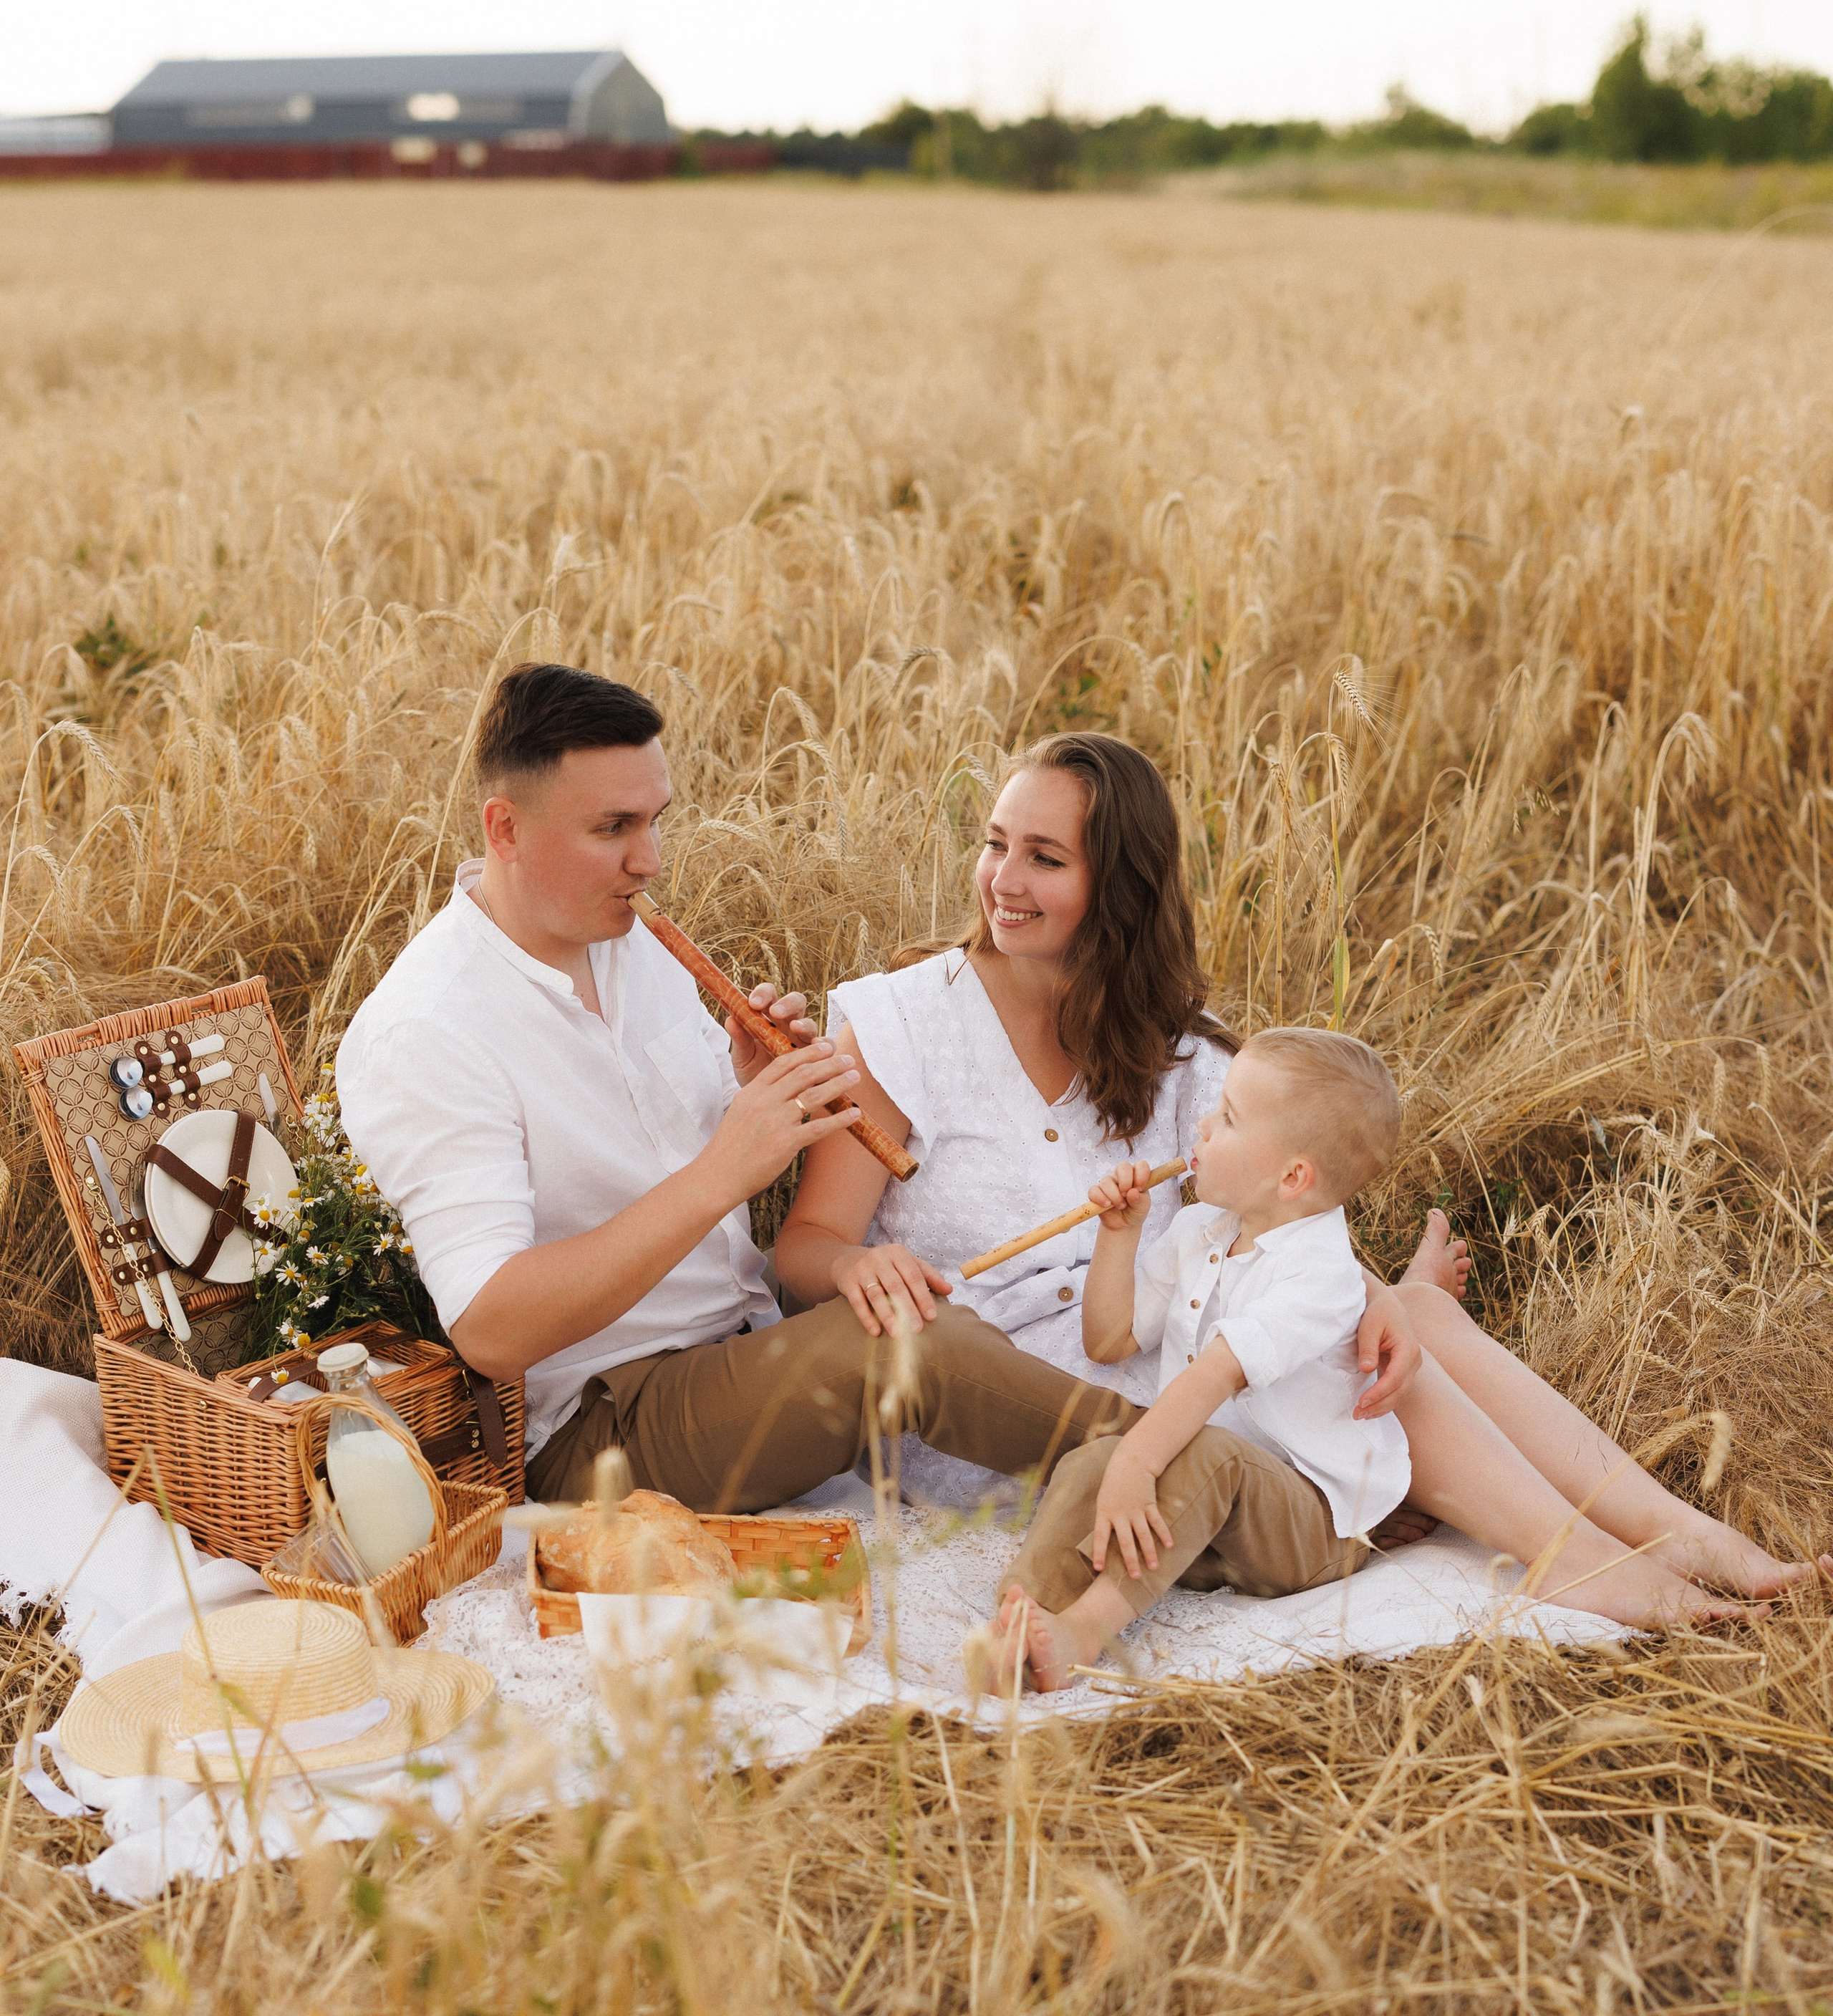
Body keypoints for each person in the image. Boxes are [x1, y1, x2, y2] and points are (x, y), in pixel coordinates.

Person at [334, 665, 1375, 1580]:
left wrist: (743, 1085)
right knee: (907, 1351)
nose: (650, 858)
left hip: (739, 1349)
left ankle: (1239, 1477)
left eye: (655, 818)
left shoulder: (620, 938)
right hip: (602, 1421)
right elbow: (490, 1326)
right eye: (614, 829)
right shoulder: (430, 1031)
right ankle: (1234, 1492)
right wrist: (723, 1172)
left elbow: (676, 1159)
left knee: (909, 1331)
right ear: (504, 830)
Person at [778, 730, 1824, 1628]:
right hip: (1012, 1414)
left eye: (1044, 858)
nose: (1002, 880)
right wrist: (861, 1264)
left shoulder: (1183, 1059)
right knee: (1378, 1342)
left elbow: (1286, 1235)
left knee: (1405, 1325)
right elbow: (805, 1247)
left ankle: (1675, 1535)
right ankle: (1590, 1566)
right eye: (997, 844)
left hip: (1170, 1367)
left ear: (1120, 886)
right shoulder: (902, 1021)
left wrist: (1383, 1305)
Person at [980, 1028, 1412, 1692]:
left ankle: (1083, 1634)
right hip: (1213, 1510)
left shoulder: (1321, 1274)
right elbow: (1111, 1340)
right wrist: (1117, 1238)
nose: (1204, 1125)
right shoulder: (1201, 1230)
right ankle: (1025, 1613)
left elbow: (1215, 1373)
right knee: (1093, 1459)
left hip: (1311, 1525)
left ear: (1293, 1177)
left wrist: (1138, 1460)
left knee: (1196, 1457)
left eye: (1229, 1118)